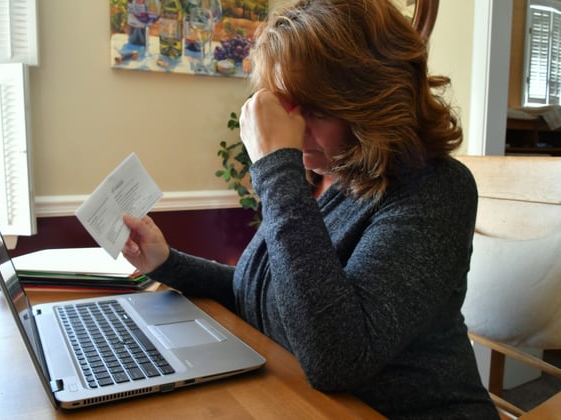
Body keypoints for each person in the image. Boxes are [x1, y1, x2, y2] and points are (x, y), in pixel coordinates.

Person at [122, 0, 499, 418]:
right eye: (287, 106)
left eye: (316, 109)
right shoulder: (327, 175)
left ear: (373, 100)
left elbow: (337, 357)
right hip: (299, 400)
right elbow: (265, 294)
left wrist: (276, 169)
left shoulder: (435, 190)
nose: (297, 130)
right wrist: (167, 262)